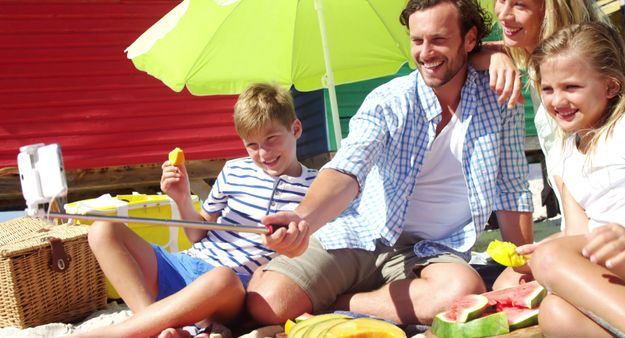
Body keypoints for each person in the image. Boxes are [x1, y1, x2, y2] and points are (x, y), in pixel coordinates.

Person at [246, 0, 534, 326]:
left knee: (462, 290)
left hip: (434, 251)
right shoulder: (390, 100)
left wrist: (521, 261)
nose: (426, 53)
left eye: (438, 39)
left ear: (469, 40)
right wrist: (303, 219)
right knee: (267, 303)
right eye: (417, 40)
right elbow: (346, 170)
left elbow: (511, 188)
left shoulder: (499, 97)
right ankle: (378, 297)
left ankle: (345, 302)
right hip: (365, 234)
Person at [69, 83, 317, 338]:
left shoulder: (318, 189)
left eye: (271, 139)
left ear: (295, 129)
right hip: (184, 265)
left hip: (232, 289)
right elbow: (199, 234)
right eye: (252, 145)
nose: (263, 153)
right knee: (103, 229)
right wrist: (181, 198)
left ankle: (130, 331)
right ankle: (153, 325)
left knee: (222, 277)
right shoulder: (234, 170)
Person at [490, 0, 625, 289]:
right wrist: (497, 54)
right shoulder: (573, 143)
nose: (503, 14)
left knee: (548, 263)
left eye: (519, 4)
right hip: (587, 243)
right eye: (499, 0)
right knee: (510, 285)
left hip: (624, 249)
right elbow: (578, 220)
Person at [522, 22, 625, 337]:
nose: (557, 100)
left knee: (550, 259)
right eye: (547, 89)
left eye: (571, 87)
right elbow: (575, 233)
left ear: (611, 87)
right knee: (555, 313)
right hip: (620, 275)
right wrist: (536, 251)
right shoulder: (569, 157)